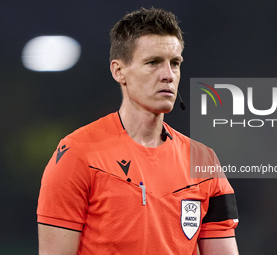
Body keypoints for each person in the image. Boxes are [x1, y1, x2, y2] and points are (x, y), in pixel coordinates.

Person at [37, 7, 239, 255]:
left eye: (175, 64)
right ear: (118, 71)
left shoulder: (205, 161)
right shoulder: (76, 154)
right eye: (153, 62)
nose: (168, 75)